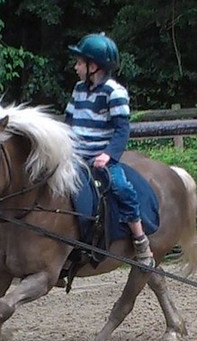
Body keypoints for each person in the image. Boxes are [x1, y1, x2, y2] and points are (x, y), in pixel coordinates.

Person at [64, 33, 155, 268]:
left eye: (80, 63)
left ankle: (139, 238)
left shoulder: (114, 92)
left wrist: (109, 155)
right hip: (75, 156)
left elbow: (122, 129)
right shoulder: (78, 90)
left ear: (93, 67)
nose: (76, 67)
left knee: (122, 188)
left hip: (101, 158)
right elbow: (69, 121)